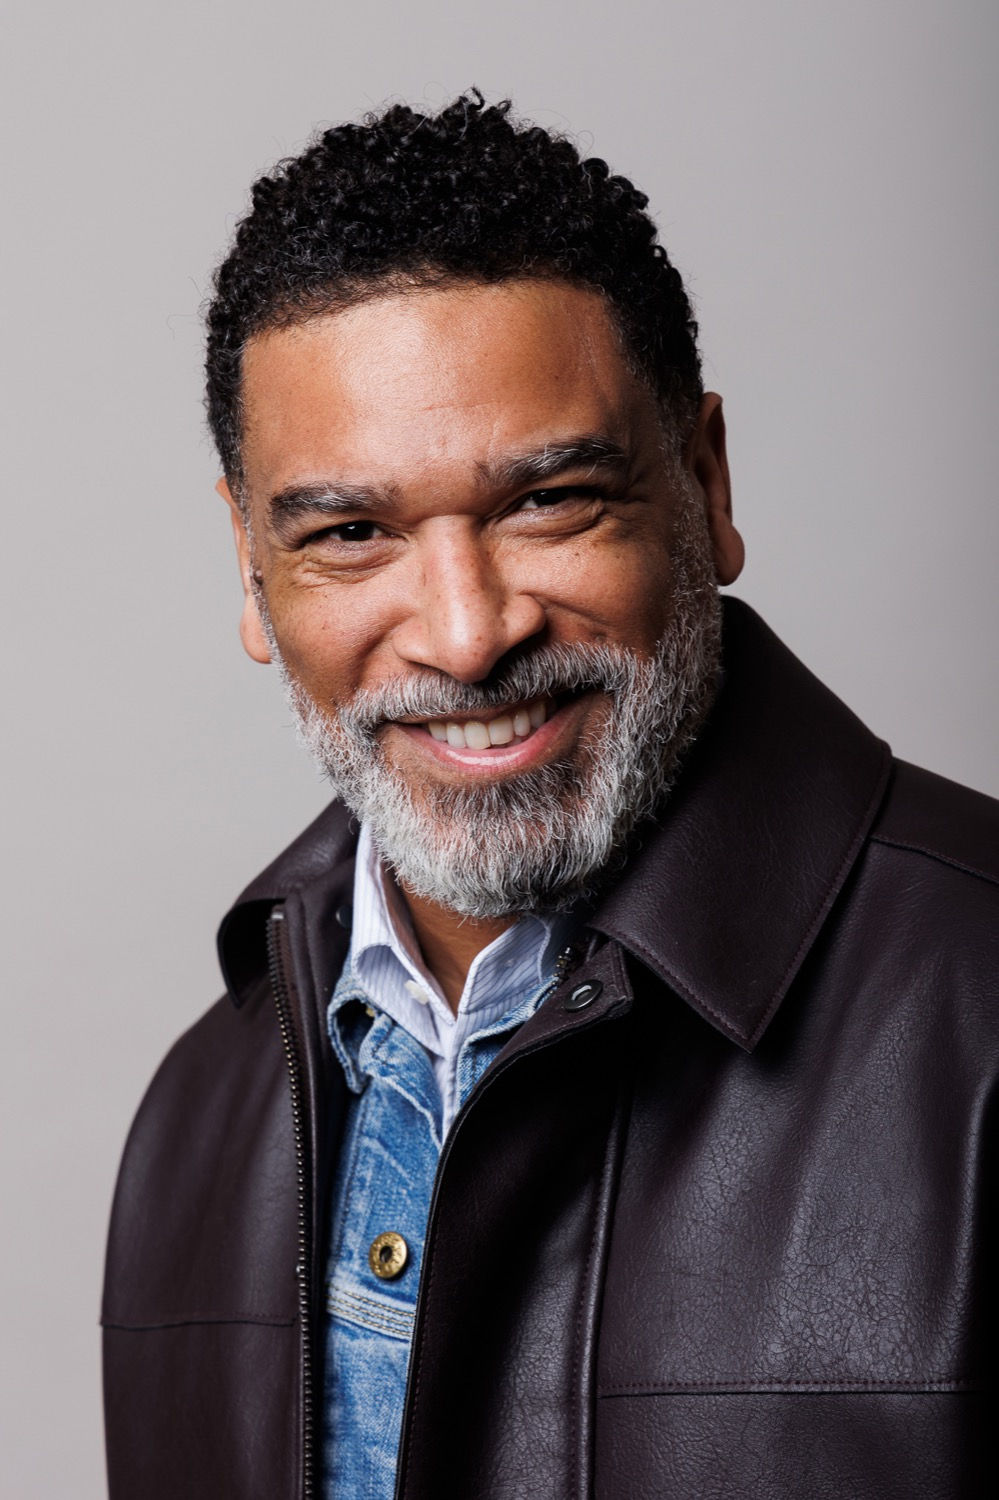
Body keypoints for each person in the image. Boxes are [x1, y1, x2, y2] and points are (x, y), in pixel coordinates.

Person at [101, 93, 997, 1499]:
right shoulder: (201, 1119)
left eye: (548, 500)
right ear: (252, 570)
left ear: (703, 482)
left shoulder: (982, 1007)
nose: (467, 638)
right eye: (352, 532)